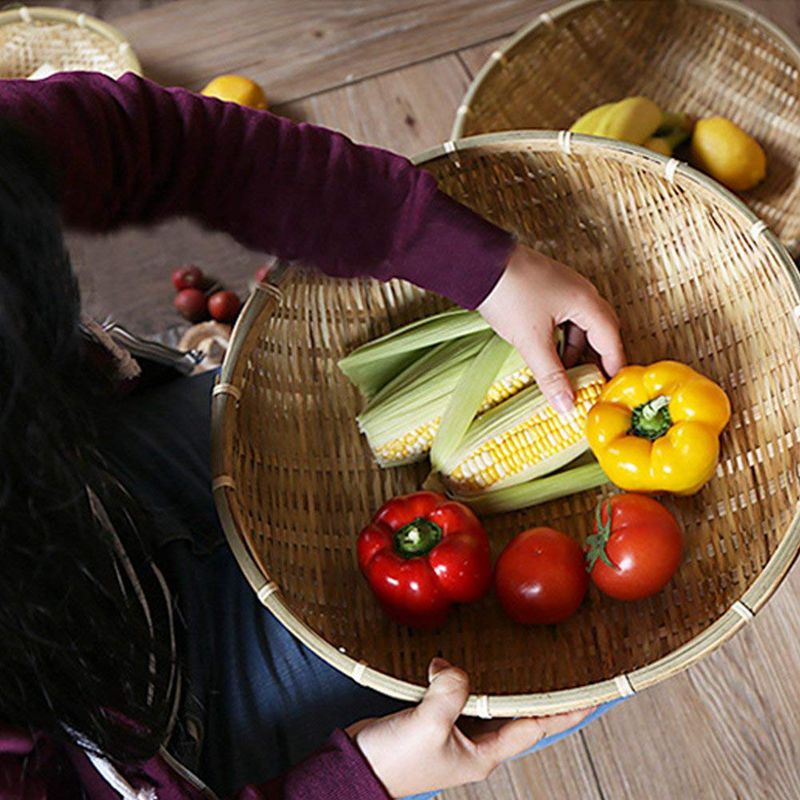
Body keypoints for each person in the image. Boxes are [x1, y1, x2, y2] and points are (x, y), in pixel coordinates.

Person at [0, 72, 625, 799]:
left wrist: (483, 265)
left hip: (109, 482)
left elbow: (164, 139)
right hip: (169, 735)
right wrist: (355, 780)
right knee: (558, 673)